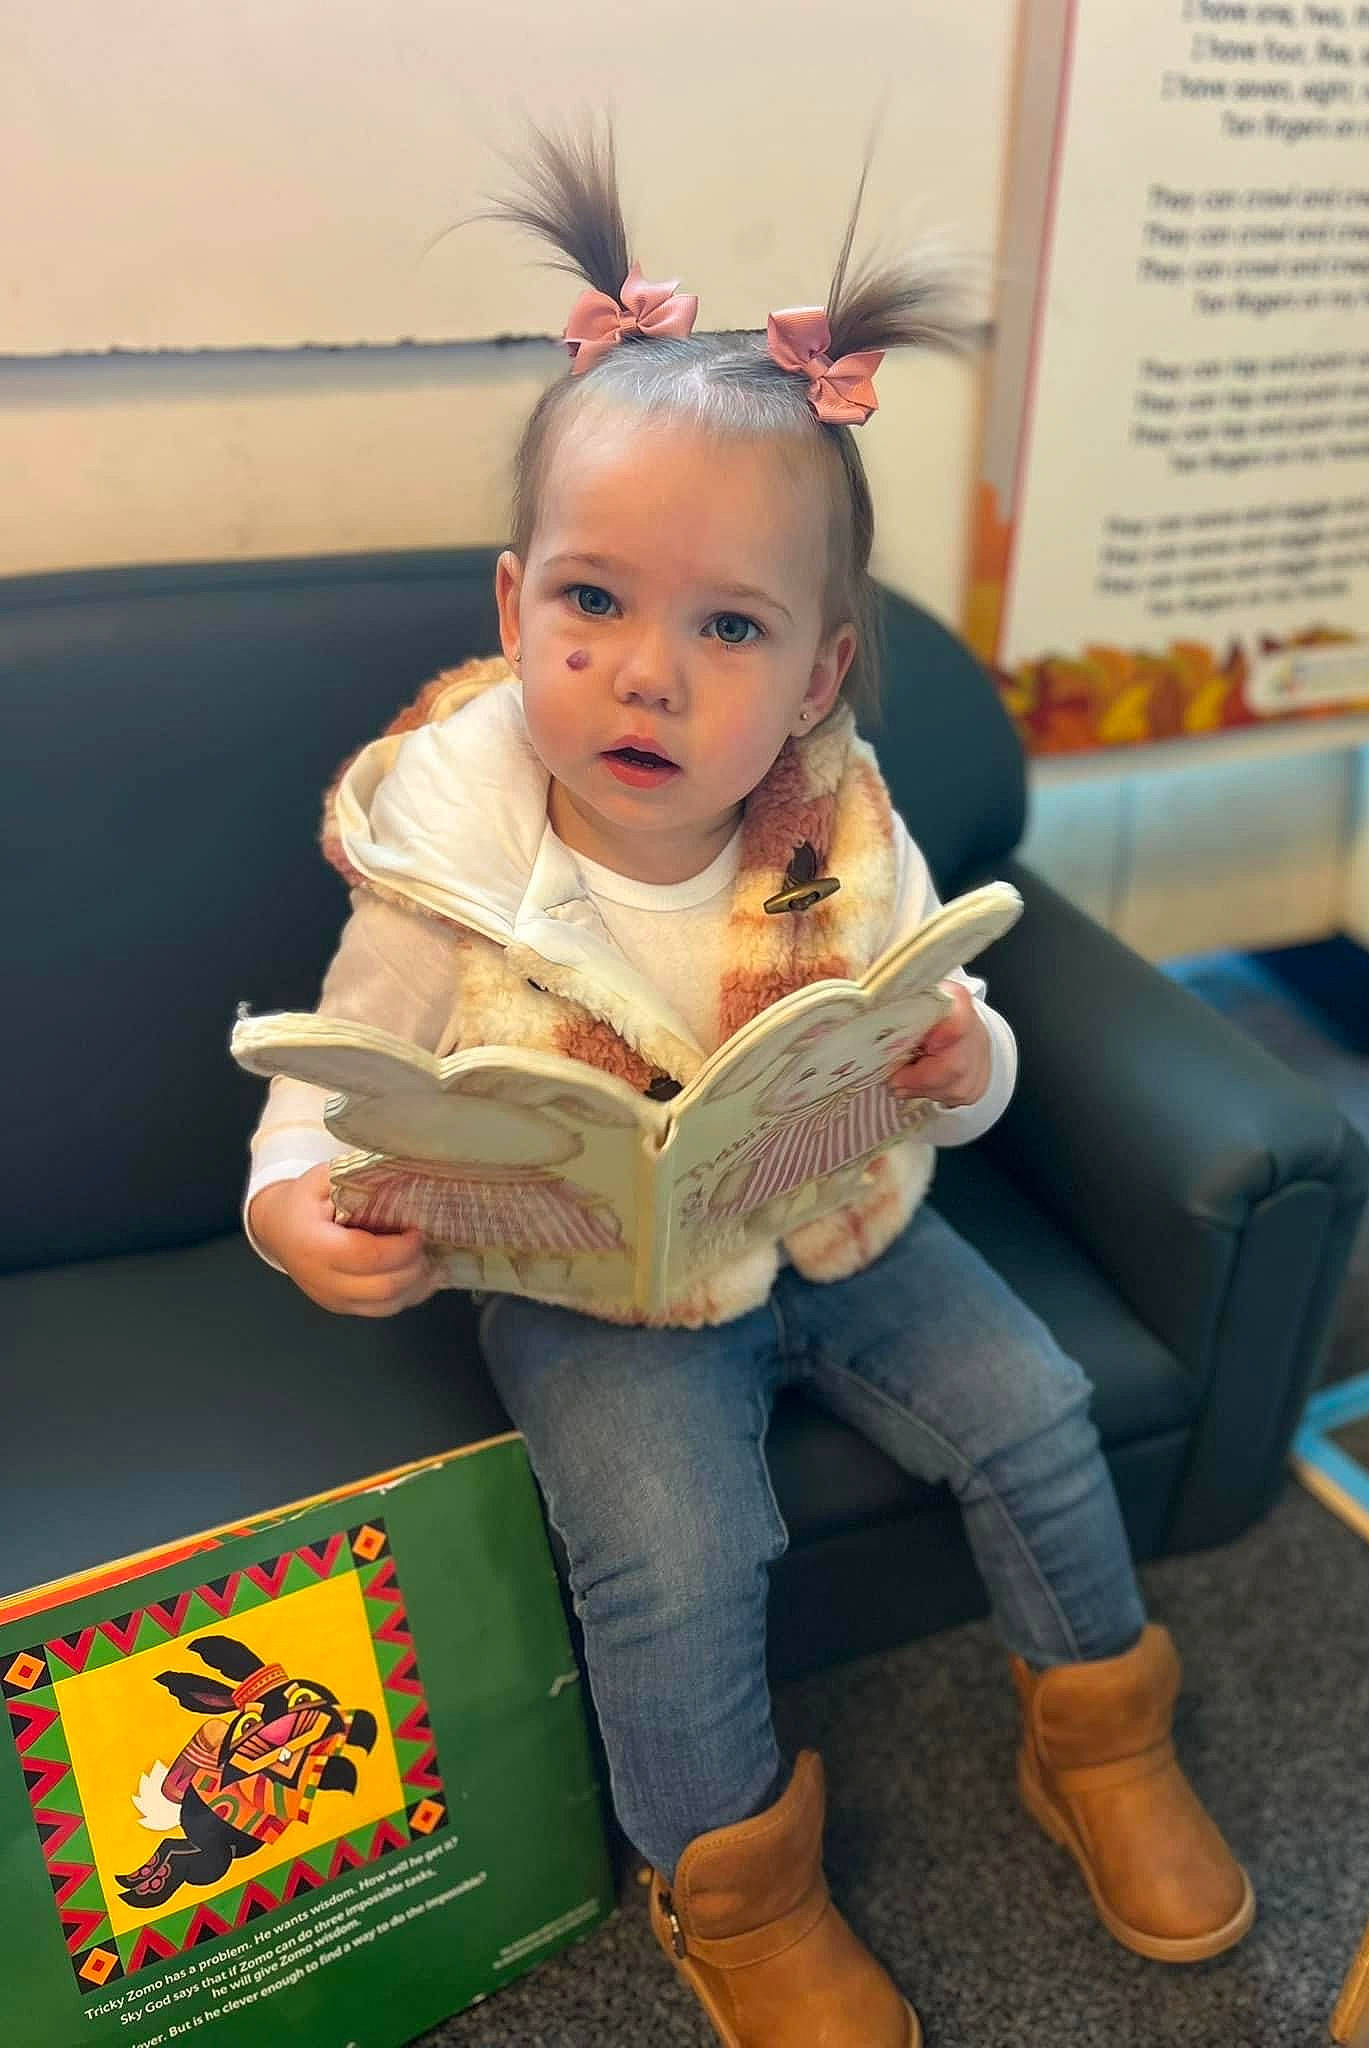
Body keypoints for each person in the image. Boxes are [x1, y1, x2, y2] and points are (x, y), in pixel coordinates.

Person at [244, 128, 1253, 2048]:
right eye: (594, 606)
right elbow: (328, 1081)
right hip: (594, 1292)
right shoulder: (444, 857)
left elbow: (928, 1035)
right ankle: (738, 1886)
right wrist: (299, 1209)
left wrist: (964, 1066)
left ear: (814, 674)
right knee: (679, 1552)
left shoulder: (836, 820)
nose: (646, 678)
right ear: (515, 598)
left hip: (841, 1216)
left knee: (1036, 1410)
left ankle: (1101, 1731)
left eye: (726, 628)